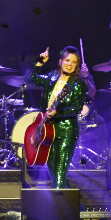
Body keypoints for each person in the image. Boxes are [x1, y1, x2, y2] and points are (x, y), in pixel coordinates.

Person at [25, 46, 88, 188]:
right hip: (47, 131)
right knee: (56, 177)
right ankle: (73, 202)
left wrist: (57, 113)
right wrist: (40, 62)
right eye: (67, 60)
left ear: (77, 65)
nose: (70, 64)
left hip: (66, 131)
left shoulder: (78, 84)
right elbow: (29, 78)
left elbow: (76, 109)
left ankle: (62, 202)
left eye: (74, 62)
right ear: (60, 61)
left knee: (59, 178)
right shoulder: (51, 77)